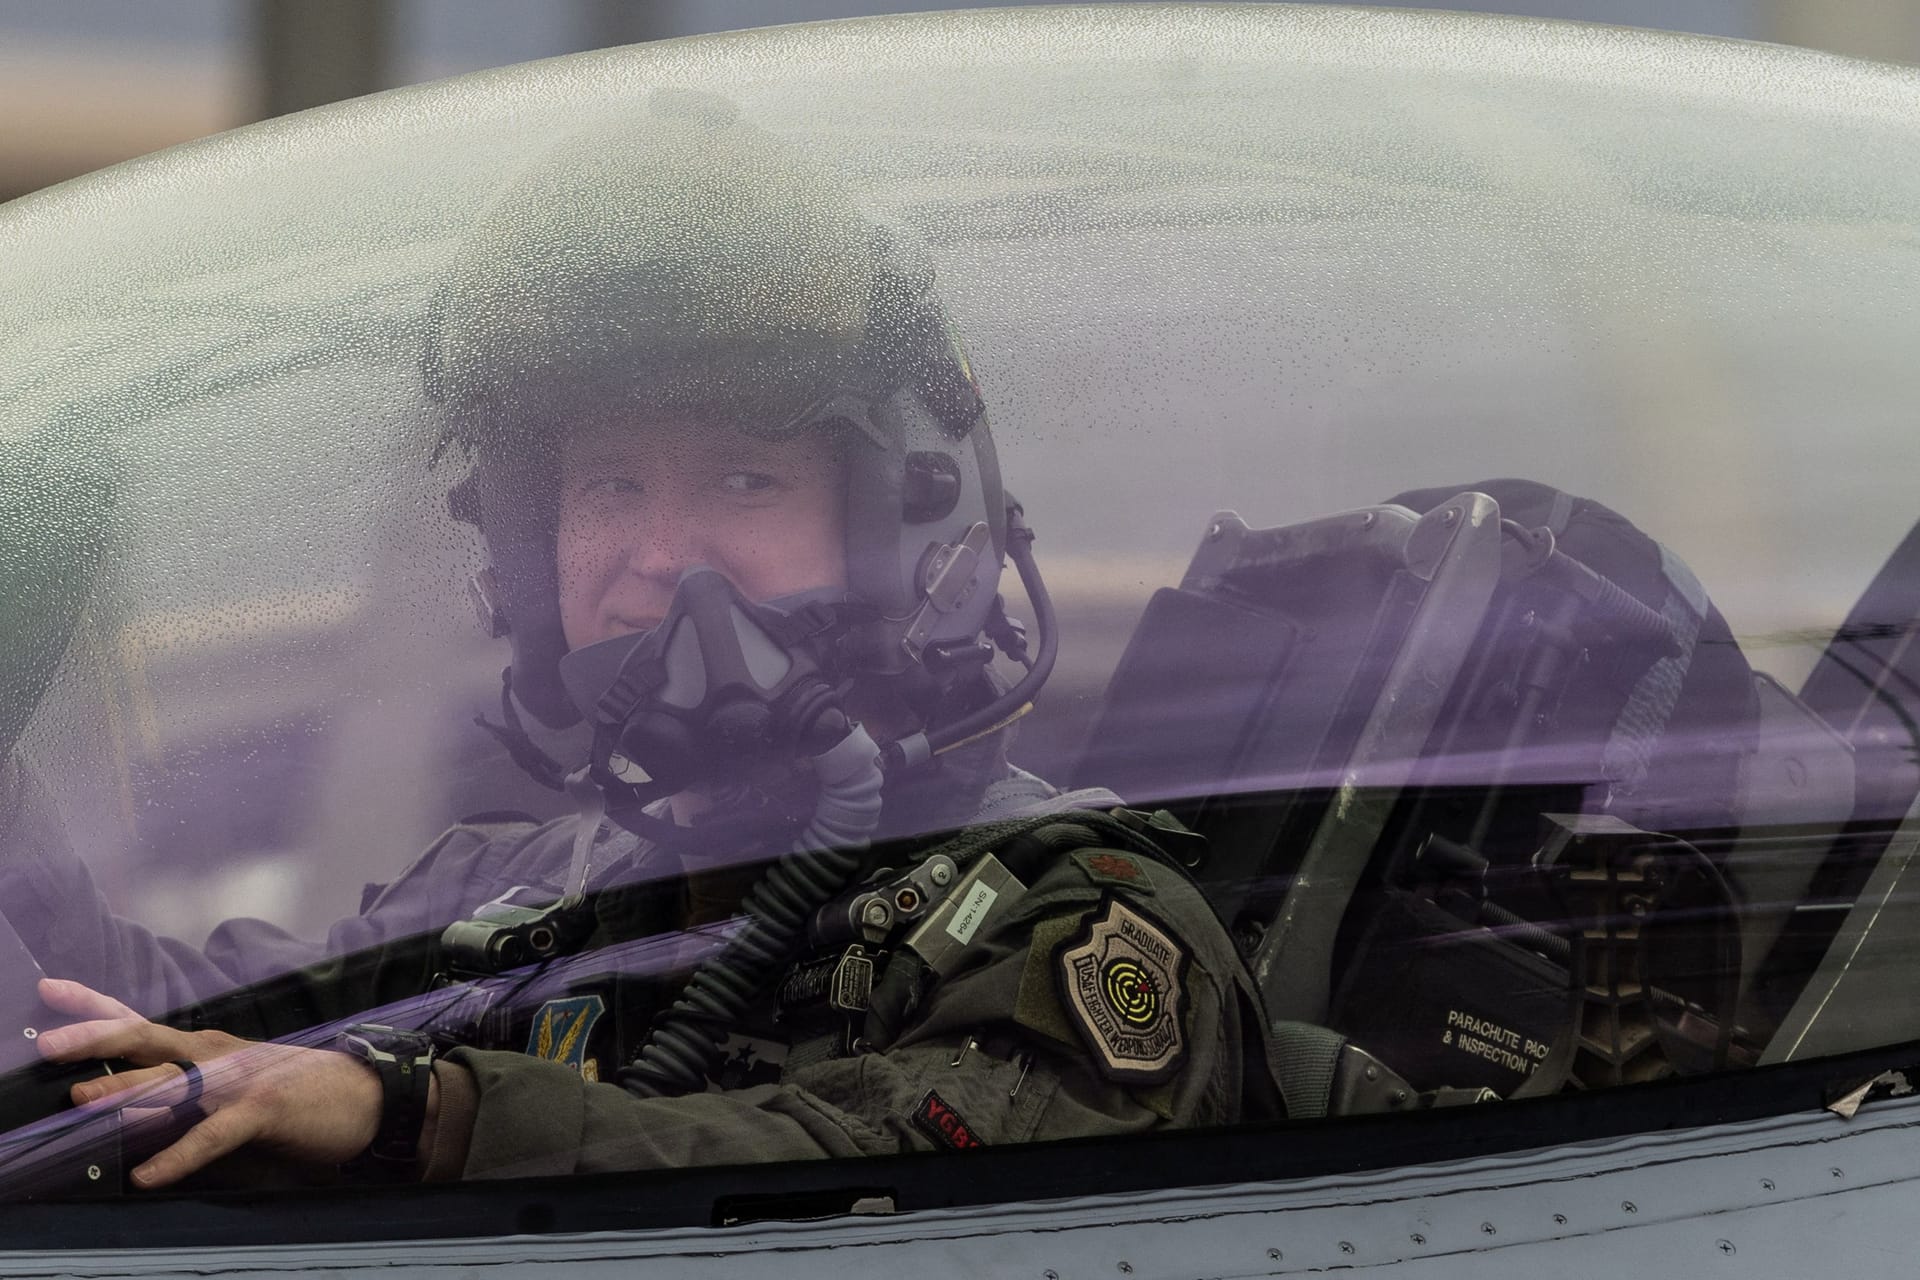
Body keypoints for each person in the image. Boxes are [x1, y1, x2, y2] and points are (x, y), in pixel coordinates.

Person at [17, 93, 1282, 1189]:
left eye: (744, 481)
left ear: (897, 517)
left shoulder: (1075, 924)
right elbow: (127, 1020)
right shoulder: (524, 896)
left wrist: (414, 1115)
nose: (660, 558)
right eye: (611, 486)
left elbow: (880, 1182)